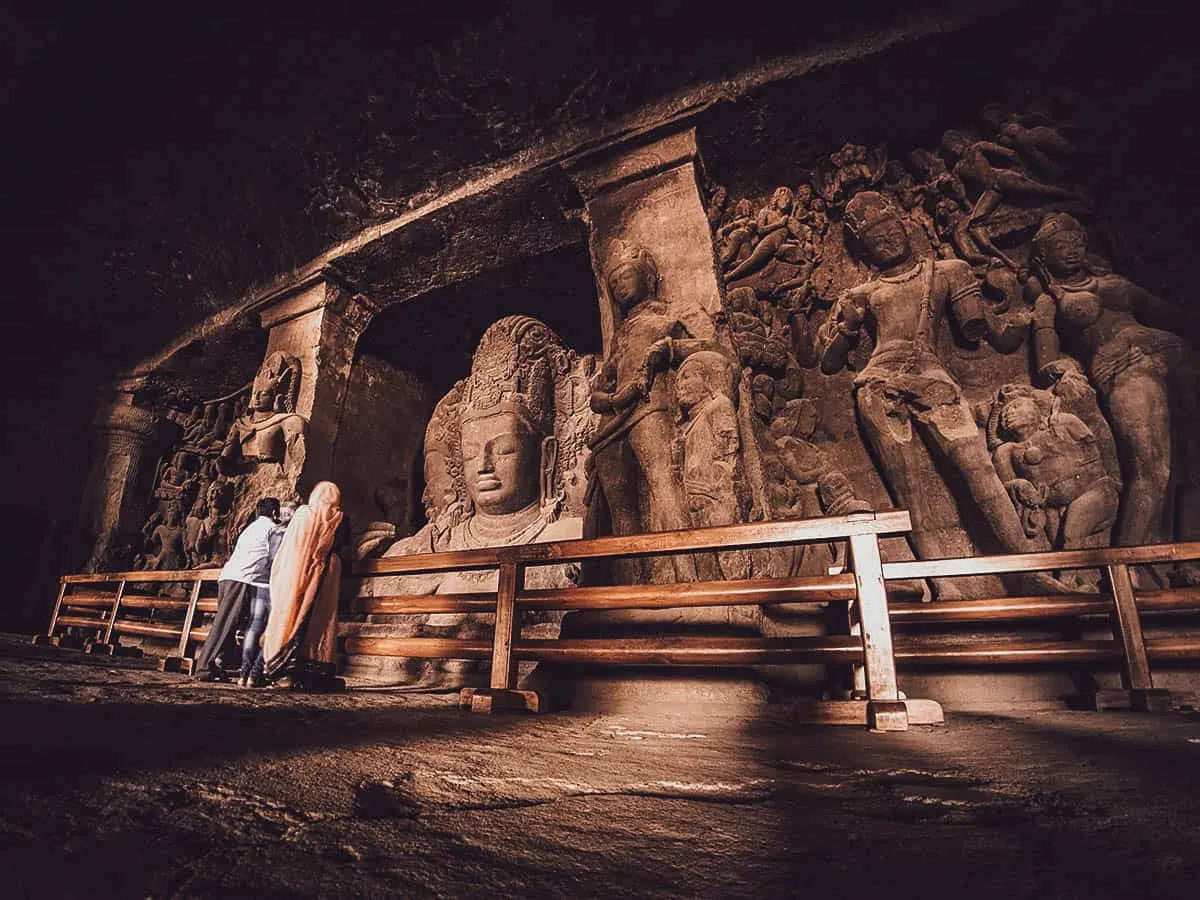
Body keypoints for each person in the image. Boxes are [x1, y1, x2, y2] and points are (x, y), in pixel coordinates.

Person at [262, 482, 345, 691]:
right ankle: (290, 672)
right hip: (307, 577)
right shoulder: (316, 517)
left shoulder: (311, 516)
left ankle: (296, 674)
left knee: (307, 623)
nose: (331, 508)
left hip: (311, 580)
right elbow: (298, 552)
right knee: (302, 622)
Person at [193, 497, 280, 682]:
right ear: (274, 513)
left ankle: (217, 666)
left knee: (230, 624)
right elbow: (274, 560)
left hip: (227, 577)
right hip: (240, 580)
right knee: (225, 623)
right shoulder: (272, 529)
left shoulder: (250, 529)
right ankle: (203, 667)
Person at [237, 499, 297, 687]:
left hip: (261, 582)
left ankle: (243, 673)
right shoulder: (292, 533)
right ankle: (256, 674)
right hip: (278, 585)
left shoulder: (273, 530)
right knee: (273, 628)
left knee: (254, 626)